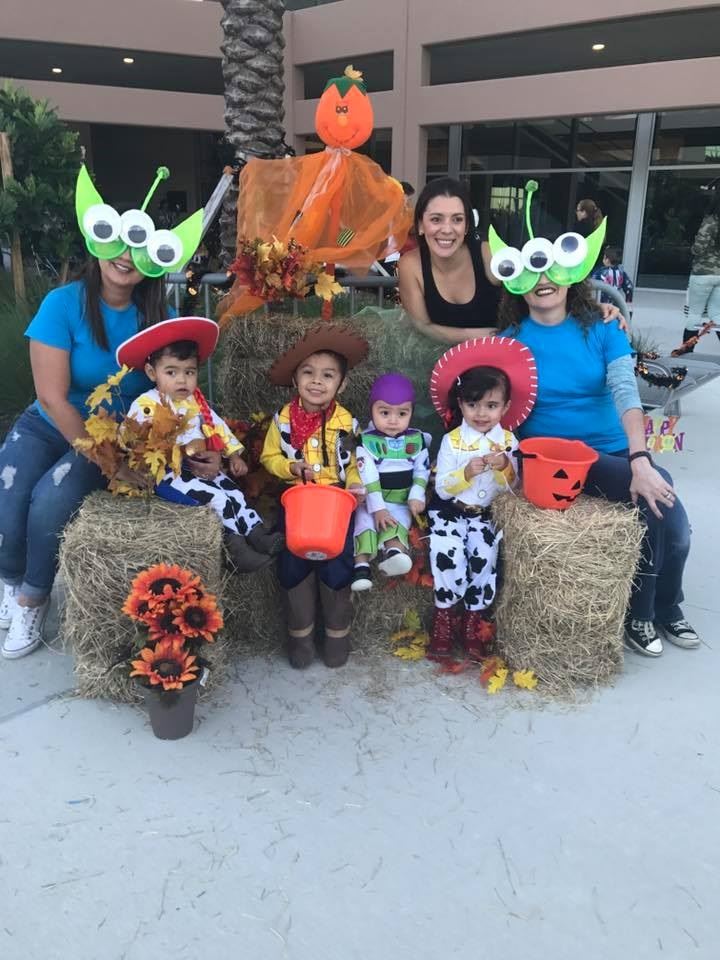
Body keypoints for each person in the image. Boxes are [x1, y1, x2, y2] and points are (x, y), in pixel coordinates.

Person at [0, 162, 206, 659]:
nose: (125, 258)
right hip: (52, 422)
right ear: (100, 242)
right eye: (118, 243)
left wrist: (197, 444)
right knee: (11, 488)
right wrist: (107, 462)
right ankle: (8, 581)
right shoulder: (62, 303)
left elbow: (183, 389)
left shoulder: (160, 316)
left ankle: (33, 597)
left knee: (50, 500)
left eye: (140, 250)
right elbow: (52, 395)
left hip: (120, 433)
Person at [489, 188, 698, 658]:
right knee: (654, 501)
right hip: (554, 459)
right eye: (531, 271)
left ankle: (667, 606)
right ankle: (641, 615)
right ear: (517, 281)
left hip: (615, 446)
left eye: (551, 270)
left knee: (675, 522)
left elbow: (626, 393)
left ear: (571, 273)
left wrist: (641, 457)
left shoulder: (604, 326)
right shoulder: (507, 341)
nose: (543, 281)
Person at [118, 317, 284, 572]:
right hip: (171, 475)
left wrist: (235, 455)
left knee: (233, 492)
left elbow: (218, 428)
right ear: (152, 373)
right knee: (216, 498)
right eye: (171, 372)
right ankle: (235, 551)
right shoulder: (147, 404)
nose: (182, 380)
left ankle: (256, 533)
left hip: (203, 467)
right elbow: (131, 437)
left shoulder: (197, 403)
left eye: (189, 372)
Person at [260, 325, 368, 670]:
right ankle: (300, 637)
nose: (317, 381)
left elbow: (354, 462)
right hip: (299, 503)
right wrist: (290, 468)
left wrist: (355, 485)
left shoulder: (346, 423)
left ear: (342, 384)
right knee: (295, 565)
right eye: (308, 373)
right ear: (295, 380)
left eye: (327, 375)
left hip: (335, 504)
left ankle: (337, 635)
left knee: (338, 564)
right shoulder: (283, 420)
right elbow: (268, 458)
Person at [426, 338, 536, 661]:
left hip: (485, 515)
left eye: (491, 406)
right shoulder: (453, 441)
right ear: (460, 405)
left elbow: (513, 487)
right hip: (450, 511)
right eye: (473, 405)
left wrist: (504, 467)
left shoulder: (508, 440)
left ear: (504, 407)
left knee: (483, 560)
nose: (481, 414)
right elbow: (443, 488)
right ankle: (445, 617)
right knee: (447, 556)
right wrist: (467, 473)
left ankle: (475, 622)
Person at [351, 373, 430, 592]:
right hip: (371, 500)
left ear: (411, 412)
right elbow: (368, 475)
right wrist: (377, 508)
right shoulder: (366, 441)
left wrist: (416, 494)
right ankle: (361, 567)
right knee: (364, 524)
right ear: (372, 410)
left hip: (401, 500)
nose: (393, 420)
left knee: (397, 526)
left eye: (402, 413)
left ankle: (394, 554)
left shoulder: (417, 440)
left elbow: (422, 470)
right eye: (384, 412)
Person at [397, 177, 501, 344]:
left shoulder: (490, 255)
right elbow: (422, 325)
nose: (447, 229)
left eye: (457, 219)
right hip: (441, 362)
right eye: (436, 219)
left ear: (467, 226)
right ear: (421, 225)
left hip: (505, 358)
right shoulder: (410, 265)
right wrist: (478, 337)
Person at [681, 188, 720, 350]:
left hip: (703, 273)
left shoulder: (711, 221)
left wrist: (691, 248)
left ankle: (685, 352)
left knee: (694, 315)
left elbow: (699, 248)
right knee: (717, 315)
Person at [592, 245, 634, 309]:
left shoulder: (600, 272)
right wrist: (628, 303)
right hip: (615, 304)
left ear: (607, 260)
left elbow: (592, 285)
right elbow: (629, 288)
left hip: (601, 305)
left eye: (604, 257)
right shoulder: (622, 272)